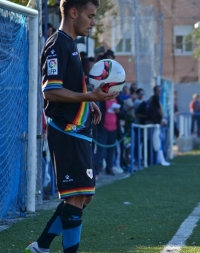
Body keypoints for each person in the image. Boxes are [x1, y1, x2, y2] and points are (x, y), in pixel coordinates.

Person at [26, 0, 119, 252]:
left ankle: (41, 246)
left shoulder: (71, 45)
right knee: (76, 196)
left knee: (83, 196)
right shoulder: (57, 45)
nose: (93, 22)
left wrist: (88, 99)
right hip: (65, 130)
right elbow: (51, 91)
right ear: (73, 12)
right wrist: (89, 98)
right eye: (90, 16)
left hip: (78, 129)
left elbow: (69, 85)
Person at [146, 86, 170, 166]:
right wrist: (159, 123)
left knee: (158, 144)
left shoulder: (157, 106)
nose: (159, 92)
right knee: (154, 144)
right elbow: (152, 117)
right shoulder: (153, 107)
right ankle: (155, 160)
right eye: (158, 90)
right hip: (154, 128)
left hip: (157, 127)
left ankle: (159, 159)